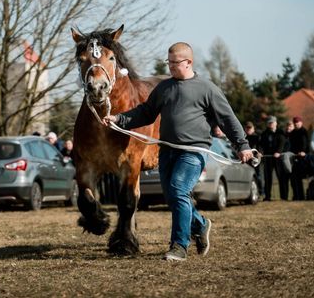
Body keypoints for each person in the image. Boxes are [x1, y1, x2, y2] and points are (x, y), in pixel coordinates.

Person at [102, 42, 252, 262]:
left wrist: (243, 146)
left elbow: (227, 119)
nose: (170, 66)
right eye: (168, 62)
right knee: (174, 197)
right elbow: (145, 113)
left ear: (188, 62)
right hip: (167, 151)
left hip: (193, 151)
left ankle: (179, 246)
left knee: (178, 190)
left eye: (175, 63)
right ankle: (200, 225)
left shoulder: (207, 88)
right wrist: (118, 119)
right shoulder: (164, 88)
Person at [259, 116, 287, 201]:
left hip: (278, 158)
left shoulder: (280, 132)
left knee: (281, 176)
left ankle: (284, 196)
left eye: (272, 122)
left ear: (276, 123)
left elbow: (282, 143)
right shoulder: (264, 133)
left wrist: (278, 152)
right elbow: (261, 145)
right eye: (269, 123)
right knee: (267, 177)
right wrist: (260, 152)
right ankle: (267, 196)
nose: (271, 124)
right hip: (268, 158)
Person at [289, 116, 309, 201]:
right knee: (294, 178)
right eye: (295, 122)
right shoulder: (292, 133)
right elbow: (291, 145)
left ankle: (302, 196)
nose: (296, 124)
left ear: (301, 122)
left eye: (297, 122)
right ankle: (297, 196)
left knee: (300, 177)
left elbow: (305, 143)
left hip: (303, 157)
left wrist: (303, 151)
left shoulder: (304, 131)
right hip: (294, 156)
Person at [244, 122, 263, 196]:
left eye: (250, 128)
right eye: (247, 128)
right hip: (246, 160)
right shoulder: (243, 138)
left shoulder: (257, 137)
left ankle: (261, 192)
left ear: (253, 129)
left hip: (255, 161)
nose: (248, 129)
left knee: (258, 176)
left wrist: (260, 152)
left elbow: (261, 146)